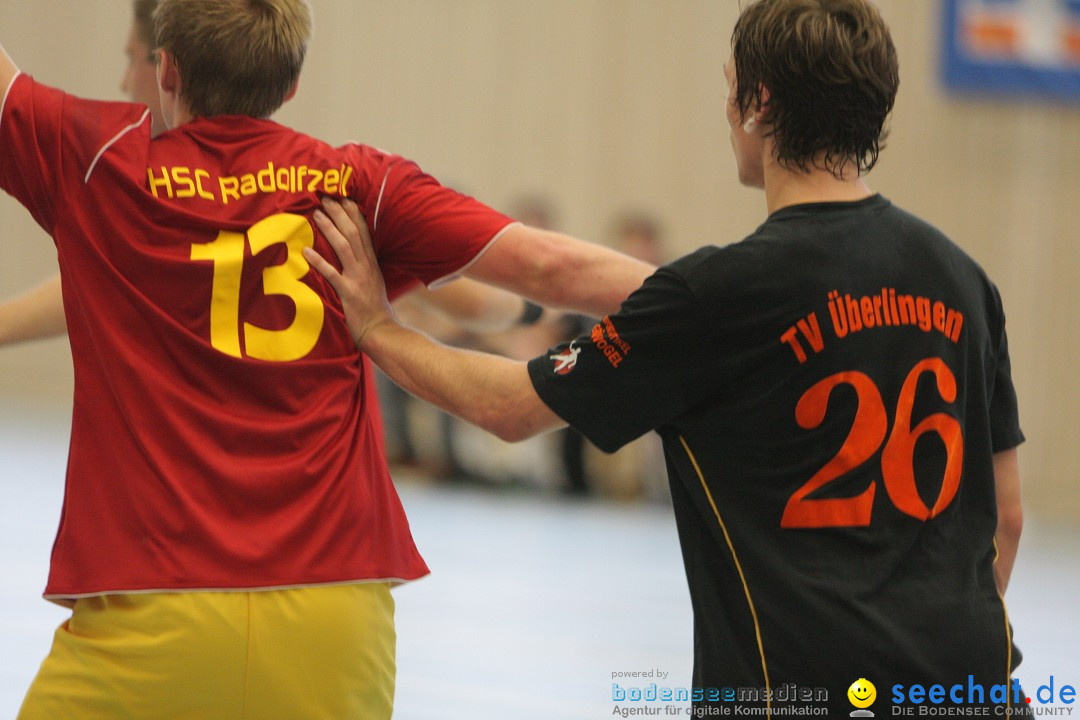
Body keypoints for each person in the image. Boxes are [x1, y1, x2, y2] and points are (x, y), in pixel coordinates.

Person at [307, 0, 1026, 716]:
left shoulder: (719, 292)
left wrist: (376, 328)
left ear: (758, 102)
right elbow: (1009, 517)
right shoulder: (965, 280)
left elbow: (509, 406)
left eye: (729, 88)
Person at [0, 1, 653, 717]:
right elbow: (554, 268)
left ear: (168, 69)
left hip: (151, 612)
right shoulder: (354, 186)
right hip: (335, 612)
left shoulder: (96, 160)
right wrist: (740, 298)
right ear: (290, 84)